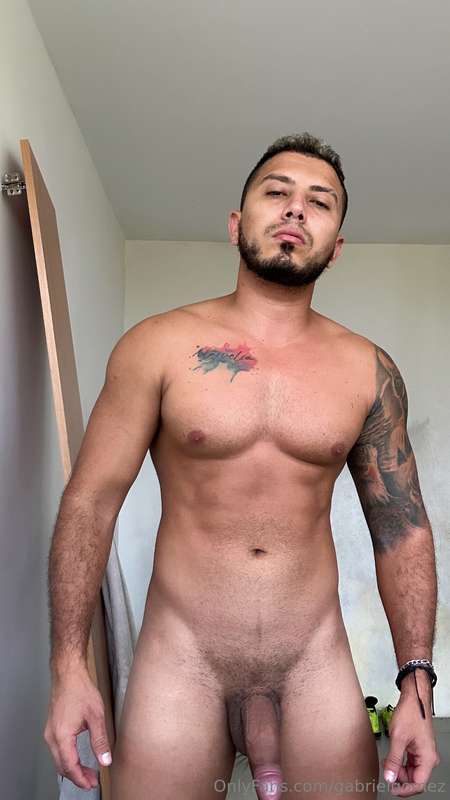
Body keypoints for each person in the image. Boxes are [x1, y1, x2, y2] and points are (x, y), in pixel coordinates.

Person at [44, 133, 440, 799]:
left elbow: (402, 530)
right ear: (236, 223)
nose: (296, 209)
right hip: (181, 663)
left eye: (320, 202)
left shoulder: (367, 370)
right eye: (276, 192)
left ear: (336, 245)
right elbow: (90, 503)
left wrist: (417, 687)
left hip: (312, 664)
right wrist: (68, 668)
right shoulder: (158, 345)